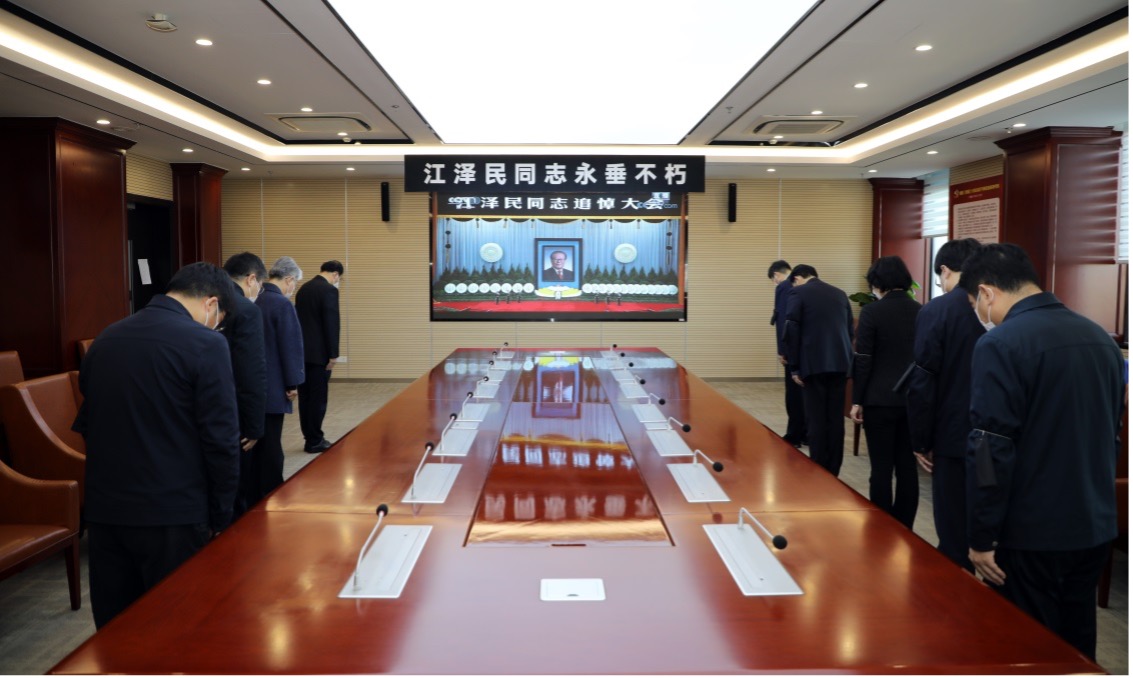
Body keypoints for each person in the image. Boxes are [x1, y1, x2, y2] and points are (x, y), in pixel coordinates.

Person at [961, 243, 1124, 660]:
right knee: (1076, 640)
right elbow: (1112, 432)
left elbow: (989, 447)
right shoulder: (1099, 337)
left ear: (987, 292)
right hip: (1093, 524)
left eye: (975, 301)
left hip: (1031, 531)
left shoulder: (1001, 343)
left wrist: (981, 535)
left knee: (1026, 646)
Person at [72, 262, 239, 629]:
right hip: (173, 514)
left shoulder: (106, 339)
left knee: (116, 629)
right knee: (176, 628)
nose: (217, 327)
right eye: (220, 320)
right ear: (211, 304)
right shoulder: (207, 344)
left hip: (107, 512)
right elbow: (221, 440)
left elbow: (89, 423)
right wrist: (221, 515)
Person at [905, 238, 984, 570]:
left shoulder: (937, 310)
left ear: (946, 270)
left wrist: (920, 440)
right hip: (993, 439)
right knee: (985, 514)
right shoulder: (1001, 305)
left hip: (952, 437)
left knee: (952, 527)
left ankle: (958, 593)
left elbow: (924, 380)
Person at [849, 256, 921, 528]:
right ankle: (905, 528)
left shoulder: (872, 312)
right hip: (911, 400)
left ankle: (883, 528)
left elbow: (864, 359)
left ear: (877, 283)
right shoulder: (921, 311)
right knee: (907, 467)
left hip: (878, 400)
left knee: (881, 468)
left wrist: (857, 400)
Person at [782, 264, 853, 476]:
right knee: (835, 418)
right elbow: (849, 330)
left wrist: (794, 367)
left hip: (813, 365)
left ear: (796, 278)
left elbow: (792, 328)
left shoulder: (798, 293)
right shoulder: (839, 293)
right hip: (840, 364)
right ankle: (834, 468)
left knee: (816, 418)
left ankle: (819, 468)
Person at [251, 256, 305, 503]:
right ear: (289, 279)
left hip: (252, 385)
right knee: (271, 443)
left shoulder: (255, 299)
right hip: (274, 386)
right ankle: (272, 491)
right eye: (295, 284)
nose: (293, 289)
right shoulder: (281, 304)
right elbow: (290, 346)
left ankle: (254, 491)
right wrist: (293, 383)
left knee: (256, 442)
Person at [221, 252, 268, 517]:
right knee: (236, 484)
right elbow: (251, 371)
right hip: (233, 412)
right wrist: (254, 426)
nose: (258, 291)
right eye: (260, 285)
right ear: (251, 279)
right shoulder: (246, 309)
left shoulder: (206, 300)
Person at [295, 260, 343, 453]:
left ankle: (309, 436)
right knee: (318, 399)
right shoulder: (329, 290)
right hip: (319, 355)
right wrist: (333, 355)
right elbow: (331, 324)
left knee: (305, 398)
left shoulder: (304, 288)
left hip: (303, 353)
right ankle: (315, 440)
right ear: (336, 274)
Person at [767, 259, 807, 447]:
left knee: (793, 394)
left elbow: (784, 320)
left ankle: (794, 435)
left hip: (792, 350)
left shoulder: (784, 287)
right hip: (807, 349)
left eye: (773, 280)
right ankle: (806, 433)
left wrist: (782, 351)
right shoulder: (806, 287)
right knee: (804, 394)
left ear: (776, 275)